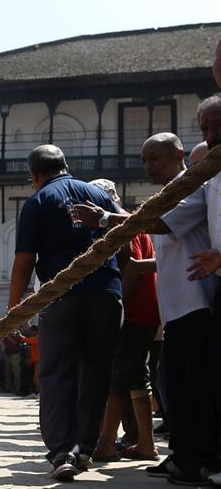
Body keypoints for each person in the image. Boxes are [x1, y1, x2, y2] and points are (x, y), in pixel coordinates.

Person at [72, 127, 219, 485]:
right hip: (173, 308)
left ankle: (194, 459)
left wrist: (105, 219)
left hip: (194, 303)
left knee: (188, 388)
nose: (148, 166)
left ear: (180, 156)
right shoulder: (171, 194)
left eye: (155, 158)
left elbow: (157, 225)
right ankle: (182, 455)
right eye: (144, 160)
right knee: (173, 387)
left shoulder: (193, 188)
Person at [8, 144, 123, 482]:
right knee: (97, 372)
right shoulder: (96, 194)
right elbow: (131, 226)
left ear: (34, 175)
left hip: (62, 296)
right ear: (65, 166)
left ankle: (61, 451)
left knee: (57, 372)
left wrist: (14, 308)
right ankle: (85, 447)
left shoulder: (38, 202)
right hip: (106, 293)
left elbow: (25, 260)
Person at [87, 179, 160, 463]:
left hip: (132, 312)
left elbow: (132, 268)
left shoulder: (122, 225)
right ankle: (145, 442)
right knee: (134, 377)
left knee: (118, 377)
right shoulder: (132, 220)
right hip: (145, 311)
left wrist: (118, 307)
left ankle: (106, 442)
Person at [2, 331, 23, 396]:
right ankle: (7, 387)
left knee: (16, 372)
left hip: (15, 354)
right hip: (7, 354)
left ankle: (17, 388)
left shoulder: (17, 334)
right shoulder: (5, 335)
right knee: (7, 372)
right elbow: (3, 345)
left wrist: (9, 337)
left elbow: (16, 343)